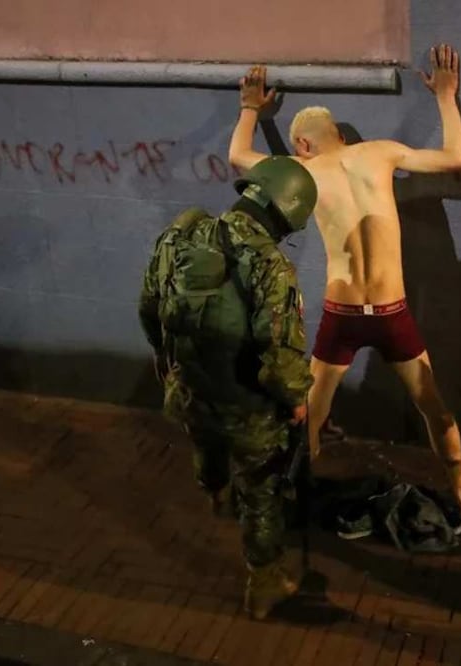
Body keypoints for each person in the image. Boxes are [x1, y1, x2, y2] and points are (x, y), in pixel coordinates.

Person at [228, 44, 461, 518]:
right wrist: (446, 95)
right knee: (434, 408)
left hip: (343, 314)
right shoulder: (381, 153)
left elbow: (237, 156)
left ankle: (289, 501)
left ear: (303, 145)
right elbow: (459, 160)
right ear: (338, 135)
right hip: (392, 313)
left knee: (310, 416)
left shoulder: (301, 171)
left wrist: (252, 108)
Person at [138, 155, 318, 620]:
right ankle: (264, 585)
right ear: (284, 213)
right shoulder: (271, 265)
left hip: (190, 393)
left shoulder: (180, 237)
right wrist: (298, 402)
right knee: (261, 494)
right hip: (248, 412)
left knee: (206, 444)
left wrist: (165, 361)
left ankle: (214, 489)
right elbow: (279, 358)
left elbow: (148, 306)